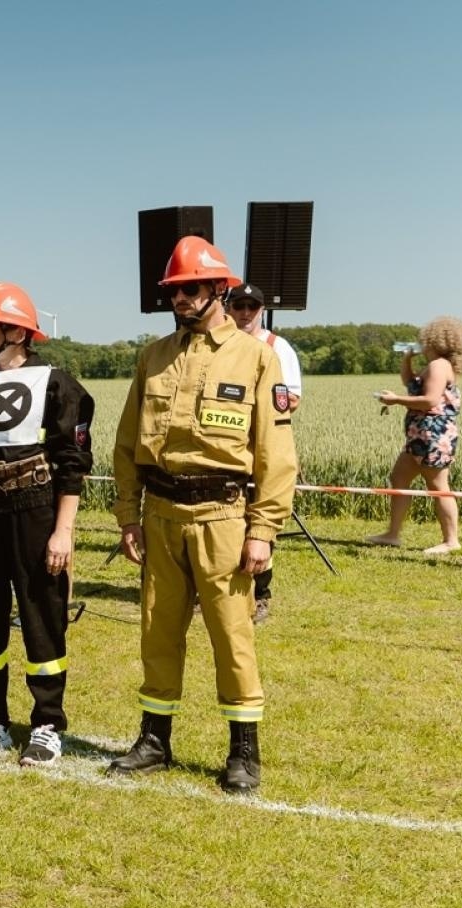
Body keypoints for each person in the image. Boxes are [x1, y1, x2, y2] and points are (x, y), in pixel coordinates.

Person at [109, 236, 297, 793]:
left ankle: (243, 752)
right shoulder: (154, 355)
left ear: (219, 289)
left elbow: (276, 455)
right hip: (161, 515)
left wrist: (262, 529)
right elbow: (125, 446)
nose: (179, 299)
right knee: (157, 632)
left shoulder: (257, 357)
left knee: (231, 635)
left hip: (224, 517)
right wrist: (127, 516)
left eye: (190, 289)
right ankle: (154, 739)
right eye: (173, 291)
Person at [0, 284, 94, 765]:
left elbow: (72, 461)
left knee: (41, 616)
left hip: (36, 510)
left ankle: (47, 723)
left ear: (16, 331)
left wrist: (63, 530)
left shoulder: (57, 383)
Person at [225, 283, 302, 622]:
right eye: (239, 306)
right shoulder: (220, 344)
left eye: (251, 308)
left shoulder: (277, 347)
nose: (244, 313)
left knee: (260, 520)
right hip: (225, 449)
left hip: (259, 450)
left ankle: (261, 594)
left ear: (261, 311)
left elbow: (291, 399)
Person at [367, 316, 462, 554]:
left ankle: (451, 540)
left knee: (438, 485)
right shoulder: (433, 365)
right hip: (419, 435)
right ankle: (392, 534)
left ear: (434, 340)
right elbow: (411, 383)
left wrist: (395, 401)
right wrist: (406, 360)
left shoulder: (438, 366)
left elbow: (429, 400)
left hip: (433, 436)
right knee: (399, 479)